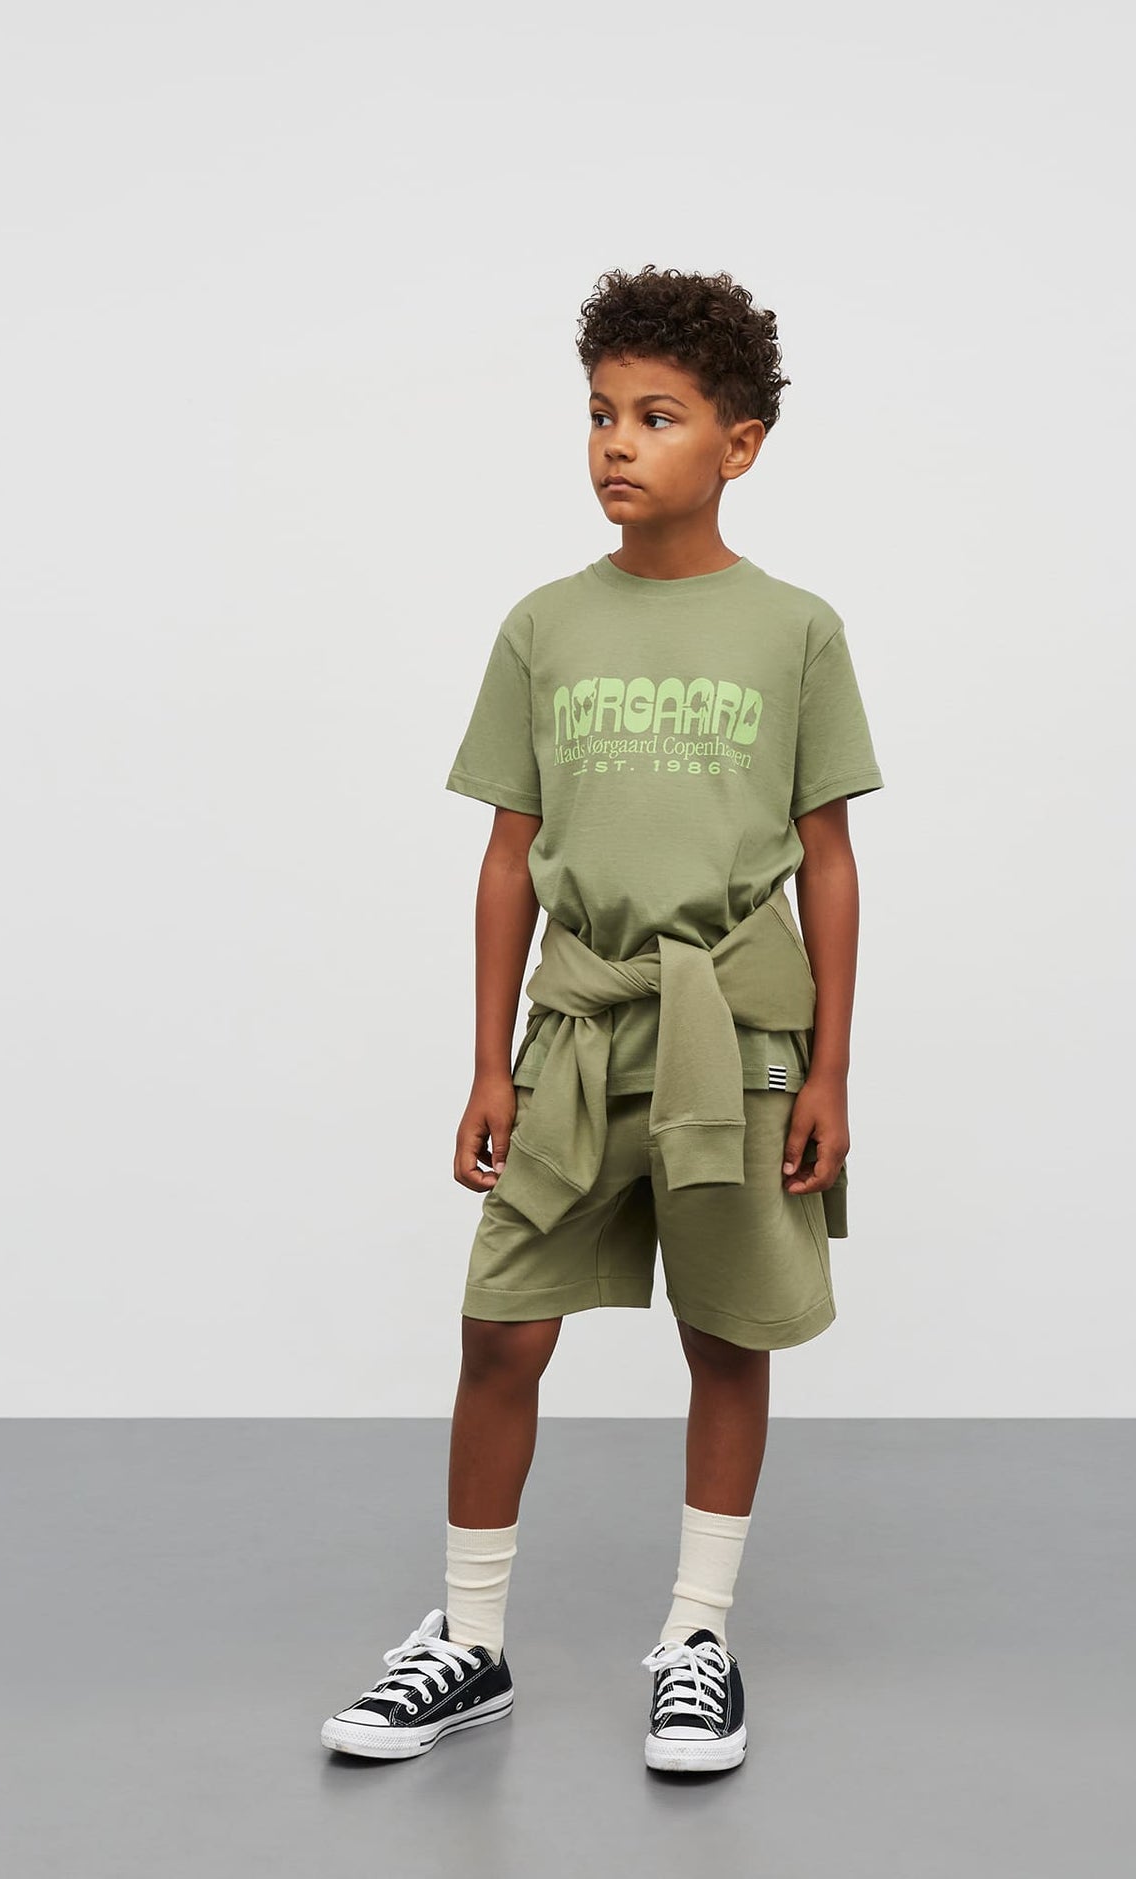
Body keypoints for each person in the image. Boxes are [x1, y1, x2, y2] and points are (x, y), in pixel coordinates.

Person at [321, 264, 882, 1773]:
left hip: (739, 1039)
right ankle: (469, 1641)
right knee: (501, 1329)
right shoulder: (544, 625)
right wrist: (488, 1061)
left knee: (726, 1332)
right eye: (598, 414)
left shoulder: (795, 630)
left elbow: (828, 861)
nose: (616, 443)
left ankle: (696, 1639)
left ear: (740, 444)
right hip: (576, 1031)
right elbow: (508, 856)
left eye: (657, 415)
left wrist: (830, 1068)